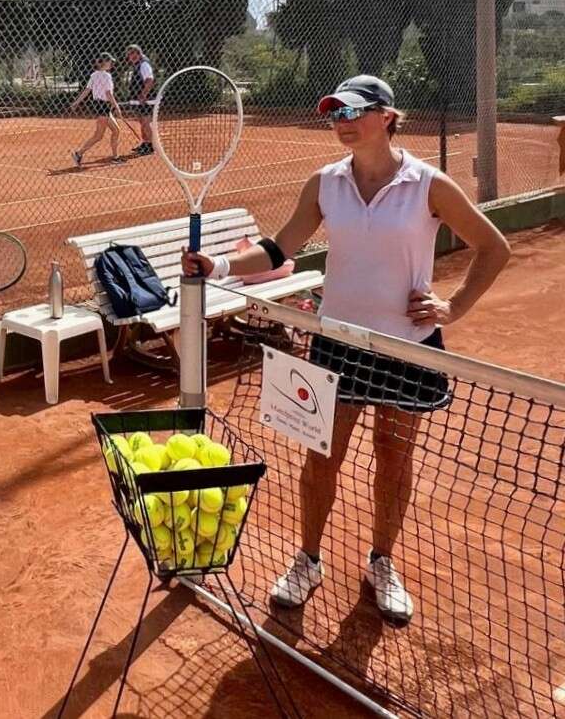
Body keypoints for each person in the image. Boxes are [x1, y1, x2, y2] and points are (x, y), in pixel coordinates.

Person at [182, 75, 510, 623]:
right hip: (337, 345)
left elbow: (493, 248)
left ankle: (382, 562)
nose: (343, 122)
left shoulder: (428, 185)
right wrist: (218, 266)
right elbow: (279, 249)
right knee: (322, 458)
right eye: (335, 114)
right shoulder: (325, 183)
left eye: (354, 112)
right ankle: (308, 560)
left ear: (387, 117)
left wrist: (454, 307)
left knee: (393, 458)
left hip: (407, 349)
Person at [68, 53, 124, 166]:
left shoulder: (94, 75)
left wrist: (76, 102)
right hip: (103, 106)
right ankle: (78, 153)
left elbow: (87, 90)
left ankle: (115, 157)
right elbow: (108, 93)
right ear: (104, 62)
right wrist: (116, 106)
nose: (111, 63)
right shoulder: (107, 76)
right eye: (110, 61)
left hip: (99, 105)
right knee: (98, 135)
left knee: (116, 130)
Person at [125, 44, 156, 156]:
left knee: (145, 122)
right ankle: (145, 143)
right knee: (142, 122)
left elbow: (150, 80)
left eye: (134, 53)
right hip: (140, 99)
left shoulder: (144, 65)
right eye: (129, 54)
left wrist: (143, 94)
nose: (132, 56)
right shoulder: (138, 65)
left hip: (145, 99)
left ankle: (151, 145)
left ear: (139, 53)